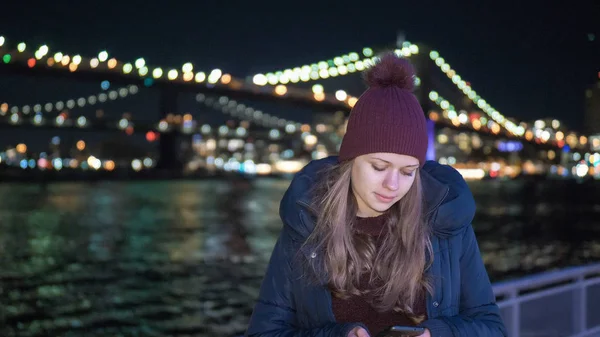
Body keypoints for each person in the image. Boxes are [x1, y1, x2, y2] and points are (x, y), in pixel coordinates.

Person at [245, 52, 507, 337]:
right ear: (350, 161)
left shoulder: (448, 225)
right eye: (379, 167)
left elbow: (492, 328)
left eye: (408, 172)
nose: (392, 185)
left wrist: (438, 334)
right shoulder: (306, 224)